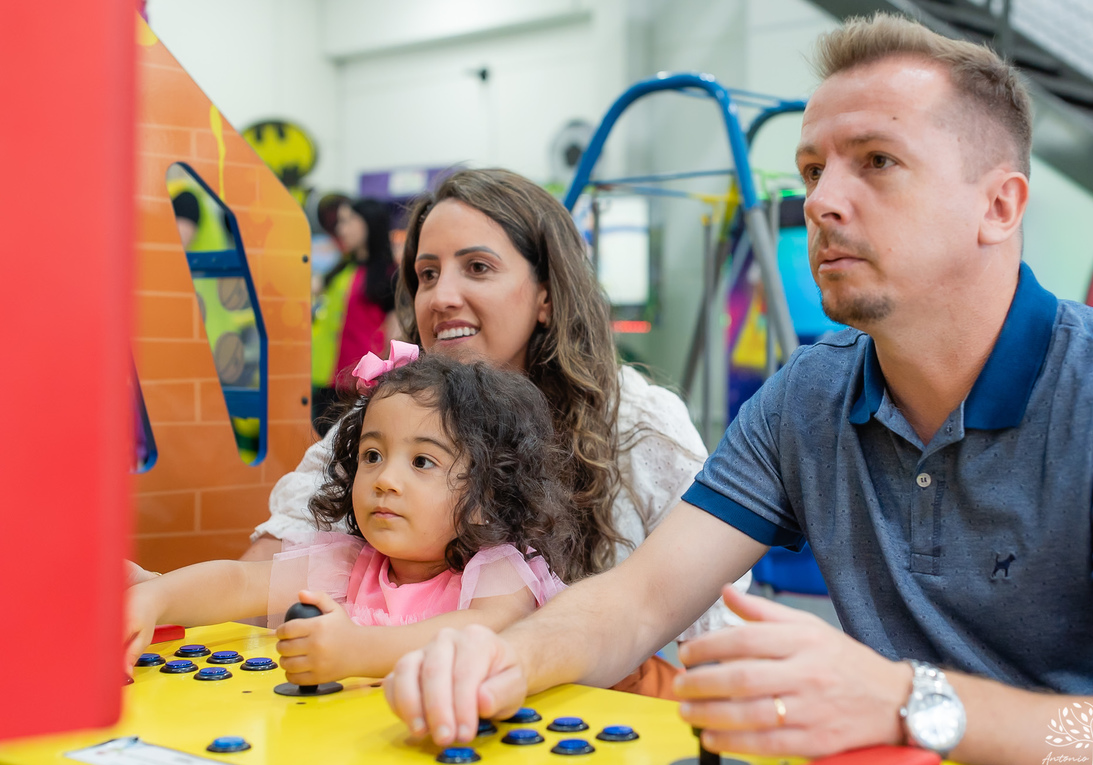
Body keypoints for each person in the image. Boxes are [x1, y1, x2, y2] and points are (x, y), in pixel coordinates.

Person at [383, 15, 1093, 765]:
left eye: (876, 161)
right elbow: (637, 600)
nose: (819, 202)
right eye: (812, 170)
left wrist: (906, 702)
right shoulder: (811, 393)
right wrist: (501, 660)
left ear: (999, 206)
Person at [240, 169, 750, 683]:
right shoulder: (386, 421)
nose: (441, 297)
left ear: (546, 296)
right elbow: (267, 568)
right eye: (428, 274)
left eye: (478, 268)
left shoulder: (634, 420)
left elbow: (720, 627)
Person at [125, 349, 572, 683]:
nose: (384, 479)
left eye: (421, 462)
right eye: (372, 455)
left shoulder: (499, 573)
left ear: (486, 492)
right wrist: (159, 596)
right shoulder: (348, 563)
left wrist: (360, 651)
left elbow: (481, 632)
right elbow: (240, 583)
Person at [311, 198, 409, 434]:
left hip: (359, 386)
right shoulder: (341, 270)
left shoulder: (388, 274)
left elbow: (395, 334)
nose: (340, 229)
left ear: (368, 223)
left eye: (346, 221)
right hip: (324, 380)